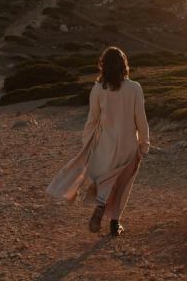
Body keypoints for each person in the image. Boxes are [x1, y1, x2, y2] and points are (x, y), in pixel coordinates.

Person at [46, 46, 150, 236]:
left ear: (103, 66)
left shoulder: (97, 90)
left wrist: (87, 144)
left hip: (105, 145)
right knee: (122, 184)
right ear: (123, 65)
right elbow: (140, 119)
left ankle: (101, 204)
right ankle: (114, 223)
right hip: (128, 145)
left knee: (106, 179)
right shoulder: (135, 88)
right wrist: (144, 143)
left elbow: (92, 121)